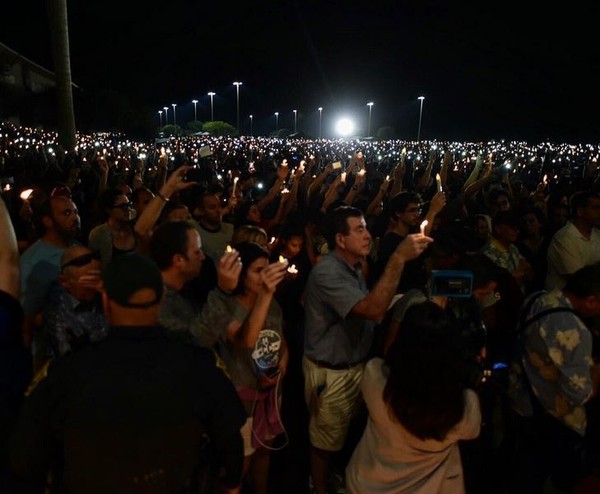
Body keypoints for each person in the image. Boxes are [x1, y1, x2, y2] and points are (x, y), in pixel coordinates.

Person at [10, 252, 246, 494]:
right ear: (162, 297)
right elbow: (229, 441)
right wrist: (231, 484)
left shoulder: (64, 374)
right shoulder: (201, 366)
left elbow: (24, 458)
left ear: (105, 301)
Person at [302, 205, 432, 494]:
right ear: (340, 239)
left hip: (352, 366)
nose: (368, 235)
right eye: (359, 230)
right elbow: (372, 310)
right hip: (331, 373)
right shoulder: (328, 273)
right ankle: (319, 485)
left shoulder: (355, 266)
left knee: (339, 433)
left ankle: (331, 475)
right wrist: (398, 258)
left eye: (366, 227)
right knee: (324, 439)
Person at [345, 301, 481, 494]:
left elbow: (387, 360)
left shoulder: (375, 379)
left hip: (368, 484)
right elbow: (473, 431)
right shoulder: (464, 407)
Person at [508, 262, 600, 493]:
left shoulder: (538, 299)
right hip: (556, 419)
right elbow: (581, 394)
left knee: (527, 474)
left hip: (523, 402)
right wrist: (596, 370)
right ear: (590, 300)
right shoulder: (575, 331)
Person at [212, 242, 289, 494]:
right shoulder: (229, 308)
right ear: (241, 273)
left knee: (263, 454)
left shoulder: (274, 304)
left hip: (269, 397)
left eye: (268, 269)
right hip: (241, 403)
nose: (265, 275)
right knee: (238, 465)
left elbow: (282, 344)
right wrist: (265, 296)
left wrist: (279, 372)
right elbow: (245, 339)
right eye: (258, 270)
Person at [150, 219, 241, 348]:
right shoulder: (157, 303)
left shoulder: (189, 288)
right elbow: (196, 341)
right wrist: (223, 291)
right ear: (179, 260)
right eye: (197, 252)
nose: (203, 257)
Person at [42, 245, 107, 358]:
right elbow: (65, 353)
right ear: (65, 282)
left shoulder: (104, 293)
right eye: (88, 283)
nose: (96, 287)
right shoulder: (57, 303)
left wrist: (106, 295)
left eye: (97, 279)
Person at [545, 190, 600, 290]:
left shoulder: (596, 234)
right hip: (565, 301)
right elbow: (579, 279)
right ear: (580, 212)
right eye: (595, 208)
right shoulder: (564, 238)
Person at [88, 187, 138, 271]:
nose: (128, 209)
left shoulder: (135, 228)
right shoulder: (98, 234)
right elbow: (95, 266)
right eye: (123, 206)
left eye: (129, 205)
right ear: (108, 210)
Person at [194, 191, 235, 264]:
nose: (218, 210)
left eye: (219, 206)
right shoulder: (195, 233)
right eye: (212, 207)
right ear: (202, 211)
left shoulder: (230, 229)